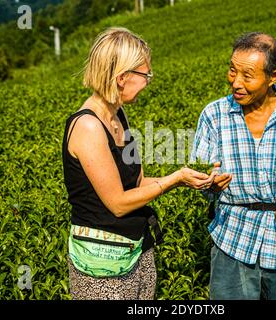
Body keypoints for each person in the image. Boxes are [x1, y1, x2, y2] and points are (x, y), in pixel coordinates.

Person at [62, 27, 230, 300]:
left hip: (136, 250)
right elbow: (118, 203)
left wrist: (188, 180)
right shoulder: (89, 126)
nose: (148, 81)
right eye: (145, 75)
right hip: (104, 266)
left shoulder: (118, 115)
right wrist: (173, 179)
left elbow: (136, 184)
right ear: (121, 77)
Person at [191, 32, 276, 300]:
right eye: (232, 71)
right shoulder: (214, 115)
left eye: (247, 76)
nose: (236, 83)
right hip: (232, 239)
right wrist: (210, 183)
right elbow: (200, 173)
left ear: (273, 76)